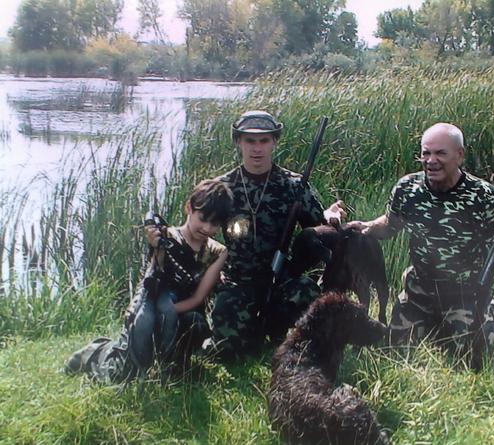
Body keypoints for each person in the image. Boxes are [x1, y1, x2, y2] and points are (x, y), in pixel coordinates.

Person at [148, 110, 345, 360]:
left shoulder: (295, 186)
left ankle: (280, 331)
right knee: (228, 349)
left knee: (307, 295)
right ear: (238, 142)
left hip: (281, 281)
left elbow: (317, 231)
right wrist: (162, 240)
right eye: (250, 140)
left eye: (264, 140)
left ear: (274, 142)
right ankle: (249, 331)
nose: (257, 148)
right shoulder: (223, 187)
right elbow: (194, 233)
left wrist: (330, 217)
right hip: (237, 282)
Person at [352, 123, 494, 356]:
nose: (431, 160)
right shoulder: (407, 188)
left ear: (460, 155)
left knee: (467, 354)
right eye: (426, 153)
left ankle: (490, 313)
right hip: (419, 293)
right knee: (395, 352)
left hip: (464, 293)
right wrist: (366, 227)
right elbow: (390, 224)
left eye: (441, 153)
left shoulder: (484, 195)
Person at [65, 179, 233, 382]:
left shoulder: (218, 252)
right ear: (189, 208)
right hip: (151, 304)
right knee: (122, 373)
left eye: (215, 223)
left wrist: (168, 313)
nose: (207, 228)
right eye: (203, 218)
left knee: (194, 325)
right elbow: (153, 279)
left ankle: (171, 363)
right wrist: (156, 247)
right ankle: (97, 350)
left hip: (182, 310)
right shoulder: (165, 236)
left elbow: (198, 299)